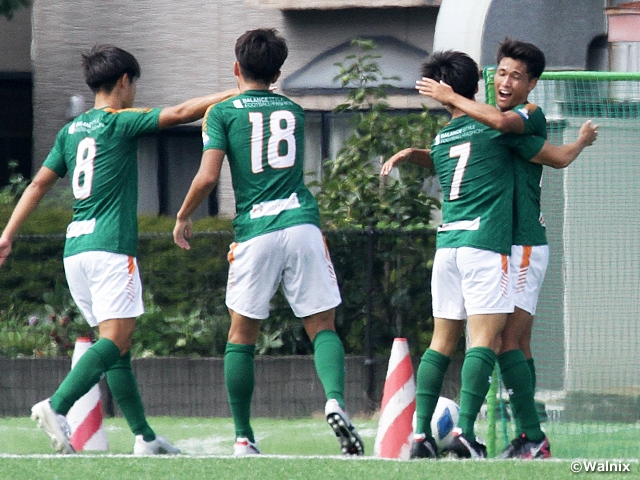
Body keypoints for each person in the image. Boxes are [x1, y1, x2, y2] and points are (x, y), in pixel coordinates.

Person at [0, 44, 238, 455]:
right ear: (124, 82)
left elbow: (38, 184)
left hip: (76, 249)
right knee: (117, 339)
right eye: (134, 85)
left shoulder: (70, 131)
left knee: (117, 349)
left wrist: (7, 234)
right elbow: (182, 113)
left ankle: (145, 438)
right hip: (110, 248)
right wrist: (233, 94)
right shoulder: (118, 122)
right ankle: (56, 405)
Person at [381, 50, 596, 460]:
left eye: (517, 76)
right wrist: (419, 151)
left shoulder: (524, 116)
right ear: (485, 79)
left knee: (504, 340)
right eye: (502, 73)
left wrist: (579, 143)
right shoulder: (485, 129)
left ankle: (516, 435)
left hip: (518, 242)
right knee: (501, 342)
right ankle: (526, 435)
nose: (506, 82)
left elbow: (544, 151)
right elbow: (485, 141)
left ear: (531, 84)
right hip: (491, 242)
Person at [172, 28, 364, 457]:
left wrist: (184, 215)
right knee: (322, 326)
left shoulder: (222, 113)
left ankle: (243, 437)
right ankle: (335, 399)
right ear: (278, 71)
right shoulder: (293, 110)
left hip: (255, 231)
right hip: (301, 224)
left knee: (241, 335)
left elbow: (207, 177)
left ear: (236, 68)